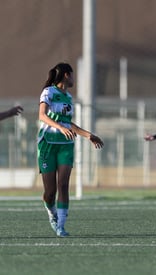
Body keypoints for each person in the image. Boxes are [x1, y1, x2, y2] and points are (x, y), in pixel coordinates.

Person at [37, 62, 104, 237]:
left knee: (64, 185)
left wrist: (88, 135)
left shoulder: (68, 97)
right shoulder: (48, 92)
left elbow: (68, 124)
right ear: (67, 75)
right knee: (50, 192)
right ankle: (51, 213)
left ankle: (61, 226)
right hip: (47, 144)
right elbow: (42, 115)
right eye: (72, 75)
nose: (74, 79)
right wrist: (60, 128)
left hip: (66, 146)